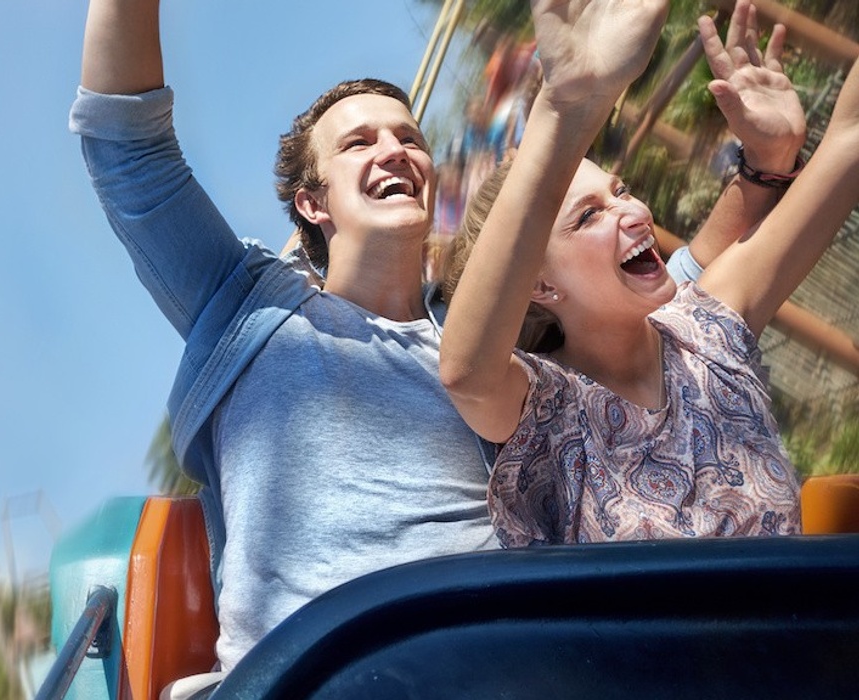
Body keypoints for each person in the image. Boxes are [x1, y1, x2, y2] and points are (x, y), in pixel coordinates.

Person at [72, 0, 811, 683]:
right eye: (359, 142)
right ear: (311, 201)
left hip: (490, 661)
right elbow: (125, 148)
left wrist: (764, 168)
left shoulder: (498, 337)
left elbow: (655, 299)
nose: (394, 151)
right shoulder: (246, 306)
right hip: (316, 672)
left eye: (408, 138)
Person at [438, 0, 859, 548]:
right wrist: (562, 107)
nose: (634, 213)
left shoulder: (708, 328)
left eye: (621, 192)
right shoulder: (544, 413)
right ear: (538, 285)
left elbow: (849, 141)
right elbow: (465, 371)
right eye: (589, 216)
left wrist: (777, 148)